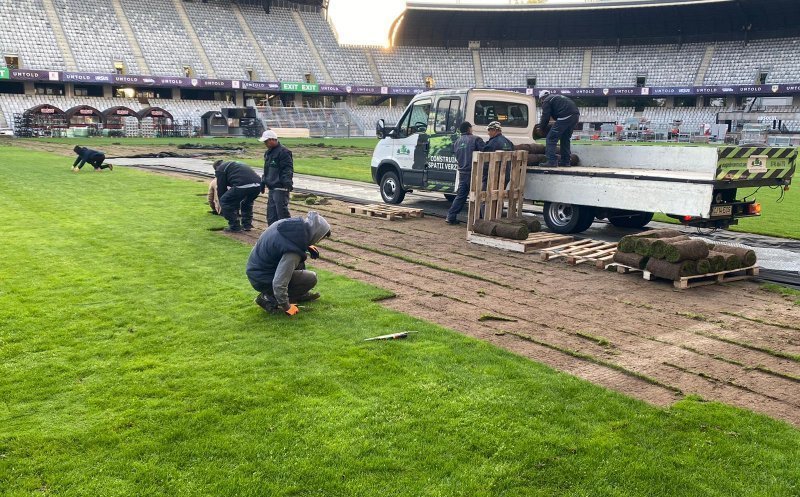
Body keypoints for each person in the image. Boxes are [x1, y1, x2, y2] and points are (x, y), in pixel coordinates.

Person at [247, 211, 331, 316]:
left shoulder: (288, 225)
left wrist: (306, 245)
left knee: (298, 261)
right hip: (262, 278)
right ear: (315, 234)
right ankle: (269, 298)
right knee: (311, 278)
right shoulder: (292, 252)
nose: (317, 241)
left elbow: (281, 243)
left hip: (256, 270)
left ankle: (298, 294)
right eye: (319, 238)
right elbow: (279, 282)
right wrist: (286, 306)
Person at [445, 121, 484, 225]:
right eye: (471, 128)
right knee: (478, 195)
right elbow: (485, 152)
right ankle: (479, 220)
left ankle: (451, 216)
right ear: (468, 129)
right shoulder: (476, 139)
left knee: (461, 196)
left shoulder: (457, 141)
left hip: (462, 172)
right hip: (473, 172)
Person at [213, 160, 262, 232]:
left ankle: (235, 226)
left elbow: (221, 189)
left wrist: (222, 205)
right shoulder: (236, 164)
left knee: (224, 201)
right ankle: (247, 225)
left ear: (216, 168)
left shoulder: (220, 169)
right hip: (257, 185)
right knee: (247, 203)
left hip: (242, 185)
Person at [260, 129, 294, 225]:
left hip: (280, 188)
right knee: (271, 216)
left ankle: (288, 234)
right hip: (271, 188)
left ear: (272, 139)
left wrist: (287, 182)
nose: (265, 143)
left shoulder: (284, 152)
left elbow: (287, 168)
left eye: (266, 141)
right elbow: (267, 169)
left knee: (282, 214)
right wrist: (263, 181)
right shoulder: (268, 153)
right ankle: (273, 235)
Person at [538, 90, 580, 167]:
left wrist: (541, 128)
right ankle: (566, 161)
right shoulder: (556, 98)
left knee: (551, 138)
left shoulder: (546, 100)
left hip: (565, 116)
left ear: (542, 98)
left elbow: (545, 117)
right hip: (575, 116)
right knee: (565, 139)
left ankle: (551, 161)